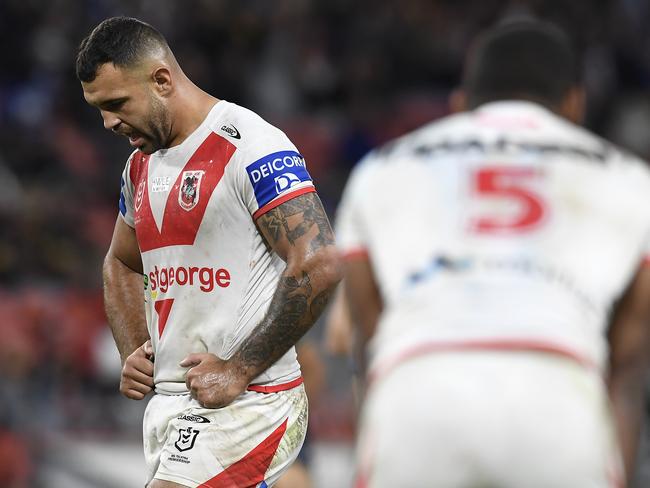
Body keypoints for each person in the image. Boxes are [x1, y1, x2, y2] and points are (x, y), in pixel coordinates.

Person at [336, 20, 650, 488]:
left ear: (460, 104)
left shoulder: (382, 167)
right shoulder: (629, 177)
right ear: (575, 103)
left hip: (419, 390)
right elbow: (628, 367)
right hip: (558, 391)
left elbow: (365, 337)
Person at [75, 17, 341, 488]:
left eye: (116, 103)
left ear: (162, 80)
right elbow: (120, 260)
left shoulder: (252, 145)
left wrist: (240, 368)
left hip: (249, 403)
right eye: (98, 109)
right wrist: (134, 347)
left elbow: (319, 261)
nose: (109, 122)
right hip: (174, 407)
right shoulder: (139, 167)